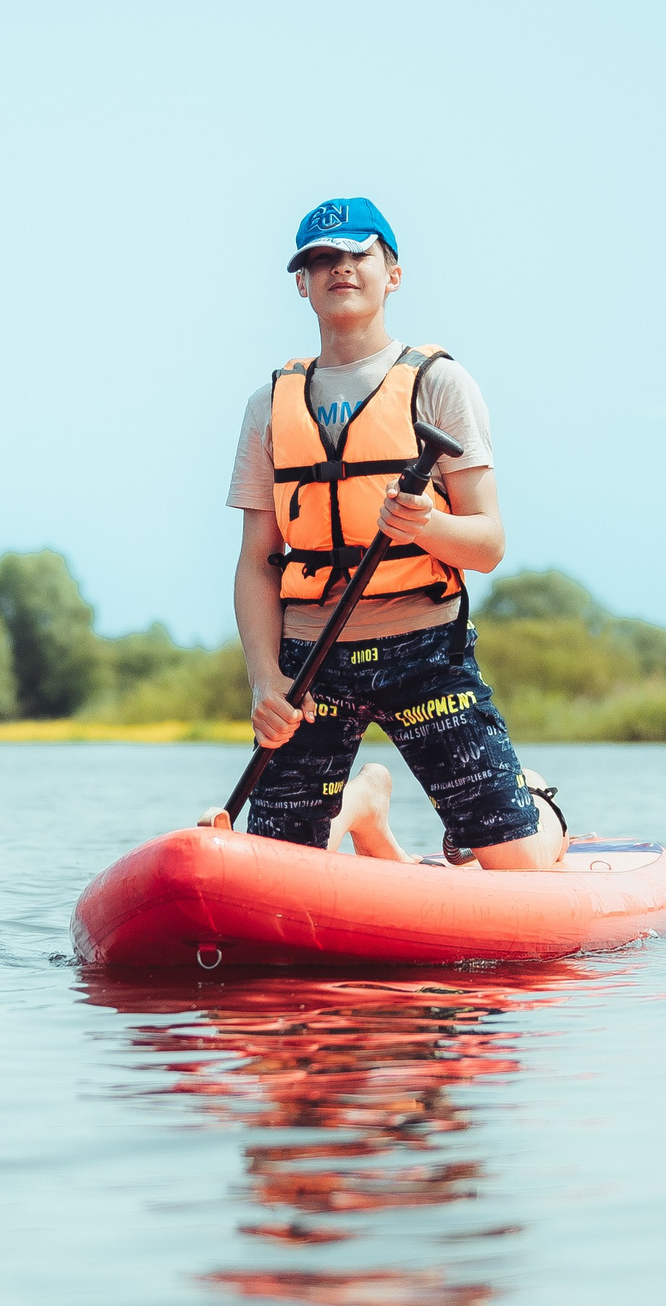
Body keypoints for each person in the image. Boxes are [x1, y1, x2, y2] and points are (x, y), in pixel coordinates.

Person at [200, 196, 563, 871]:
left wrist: (427, 525)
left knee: (519, 871)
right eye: (320, 258)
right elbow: (257, 562)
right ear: (301, 283)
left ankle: (538, 803)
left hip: (427, 651)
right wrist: (264, 682)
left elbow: (487, 545)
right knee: (276, 866)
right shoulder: (270, 405)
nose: (340, 267)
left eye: (357, 253)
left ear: (391, 273)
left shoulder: (439, 384)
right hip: (311, 658)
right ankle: (363, 807)